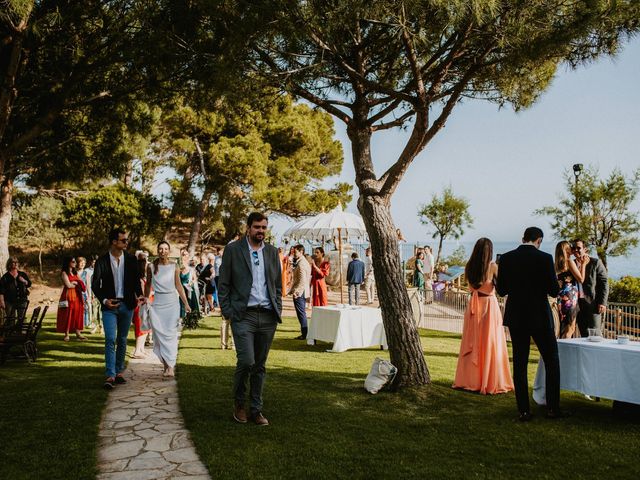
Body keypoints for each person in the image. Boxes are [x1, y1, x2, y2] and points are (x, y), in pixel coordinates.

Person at [218, 212, 282, 426]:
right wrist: (227, 310)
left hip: (267, 316)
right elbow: (224, 283)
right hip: (242, 315)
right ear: (248, 228)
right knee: (246, 361)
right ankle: (239, 404)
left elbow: (277, 285)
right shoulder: (233, 250)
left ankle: (256, 409)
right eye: (257, 227)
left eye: (264, 227)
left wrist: (277, 307)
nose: (261, 231)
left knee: (260, 366)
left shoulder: (272, 252)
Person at [496, 227, 563, 421]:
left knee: (520, 362)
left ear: (523, 238)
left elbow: (501, 290)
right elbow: (553, 291)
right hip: (540, 316)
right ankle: (552, 408)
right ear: (539, 240)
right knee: (551, 360)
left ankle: (523, 410)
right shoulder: (544, 258)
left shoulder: (507, 259)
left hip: (517, 316)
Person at [453, 238, 514, 395]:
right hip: (488, 307)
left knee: (472, 342)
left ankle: (469, 380)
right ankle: (487, 380)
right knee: (489, 342)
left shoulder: (469, 266)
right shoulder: (493, 266)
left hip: (473, 307)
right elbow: (502, 289)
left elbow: (470, 287)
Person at [92, 228, 144, 389]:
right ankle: (110, 374)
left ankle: (119, 372)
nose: (126, 242)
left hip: (127, 305)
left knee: (122, 339)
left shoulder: (131, 259)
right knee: (110, 339)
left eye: (126, 240)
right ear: (114, 242)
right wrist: (105, 300)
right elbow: (95, 285)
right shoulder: (102, 261)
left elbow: (136, 280)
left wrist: (140, 295)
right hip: (110, 306)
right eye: (123, 240)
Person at [144, 241, 191, 378]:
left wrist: (186, 304)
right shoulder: (151, 266)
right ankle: (166, 365)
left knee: (170, 335)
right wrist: (146, 299)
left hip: (172, 303)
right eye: (160, 249)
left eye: (165, 249)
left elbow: (179, 286)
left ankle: (170, 367)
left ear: (169, 251)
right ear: (157, 251)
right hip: (157, 303)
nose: (163, 251)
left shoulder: (174, 266)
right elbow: (147, 284)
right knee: (159, 336)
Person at [573, 239, 609, 338]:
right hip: (577, 305)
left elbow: (604, 283)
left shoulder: (595, 263)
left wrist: (602, 303)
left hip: (593, 303)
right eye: (573, 248)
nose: (575, 250)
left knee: (595, 334)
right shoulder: (571, 265)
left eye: (578, 248)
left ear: (585, 249)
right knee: (583, 334)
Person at [554, 241, 587, 339]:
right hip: (570, 299)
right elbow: (581, 279)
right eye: (570, 247)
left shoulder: (556, 264)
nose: (573, 249)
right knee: (570, 329)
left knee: (563, 328)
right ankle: (564, 353)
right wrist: (584, 264)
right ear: (566, 249)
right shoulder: (569, 261)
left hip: (562, 298)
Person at [56, 257, 87, 342]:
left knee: (77, 313)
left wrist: (75, 283)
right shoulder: (64, 273)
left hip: (77, 296)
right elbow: (68, 285)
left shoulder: (75, 272)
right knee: (68, 314)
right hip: (68, 296)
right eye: (73, 261)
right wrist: (75, 284)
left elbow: (81, 283)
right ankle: (66, 334)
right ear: (68, 262)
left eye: (75, 262)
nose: (75, 263)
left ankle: (78, 333)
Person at [288, 244, 311, 339]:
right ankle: (304, 333)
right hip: (301, 291)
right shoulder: (301, 261)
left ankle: (305, 334)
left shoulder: (302, 263)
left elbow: (302, 280)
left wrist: (296, 292)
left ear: (301, 252)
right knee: (301, 313)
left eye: (295, 251)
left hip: (300, 292)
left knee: (301, 313)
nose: (293, 253)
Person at [0, 257, 32, 323]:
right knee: (10, 319)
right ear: (9, 264)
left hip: (22, 300)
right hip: (9, 302)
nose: (15, 264)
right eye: (13, 262)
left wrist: (24, 281)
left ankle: (21, 333)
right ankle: (11, 333)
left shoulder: (22, 274)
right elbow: (1, 291)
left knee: (22, 319)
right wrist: (2, 301)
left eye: (16, 262)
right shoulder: (5, 277)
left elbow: (29, 284)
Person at [131, 255, 151, 358]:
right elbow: (140, 294)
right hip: (140, 306)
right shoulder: (139, 280)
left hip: (143, 306)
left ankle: (141, 349)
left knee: (145, 329)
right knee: (141, 329)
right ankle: (137, 351)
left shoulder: (142, 279)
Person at [179, 248, 200, 318]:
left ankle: (190, 318)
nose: (185, 256)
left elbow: (194, 279)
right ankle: (182, 317)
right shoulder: (179, 267)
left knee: (190, 303)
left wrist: (190, 284)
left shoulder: (191, 268)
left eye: (186, 255)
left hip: (189, 288)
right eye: (183, 255)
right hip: (181, 289)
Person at [76, 257, 92, 329]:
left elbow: (88, 285)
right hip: (74, 294)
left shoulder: (86, 273)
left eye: (84, 263)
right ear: (77, 263)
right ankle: (75, 324)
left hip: (83, 294)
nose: (82, 264)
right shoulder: (74, 273)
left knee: (84, 309)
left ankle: (84, 324)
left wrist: (89, 295)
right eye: (81, 262)